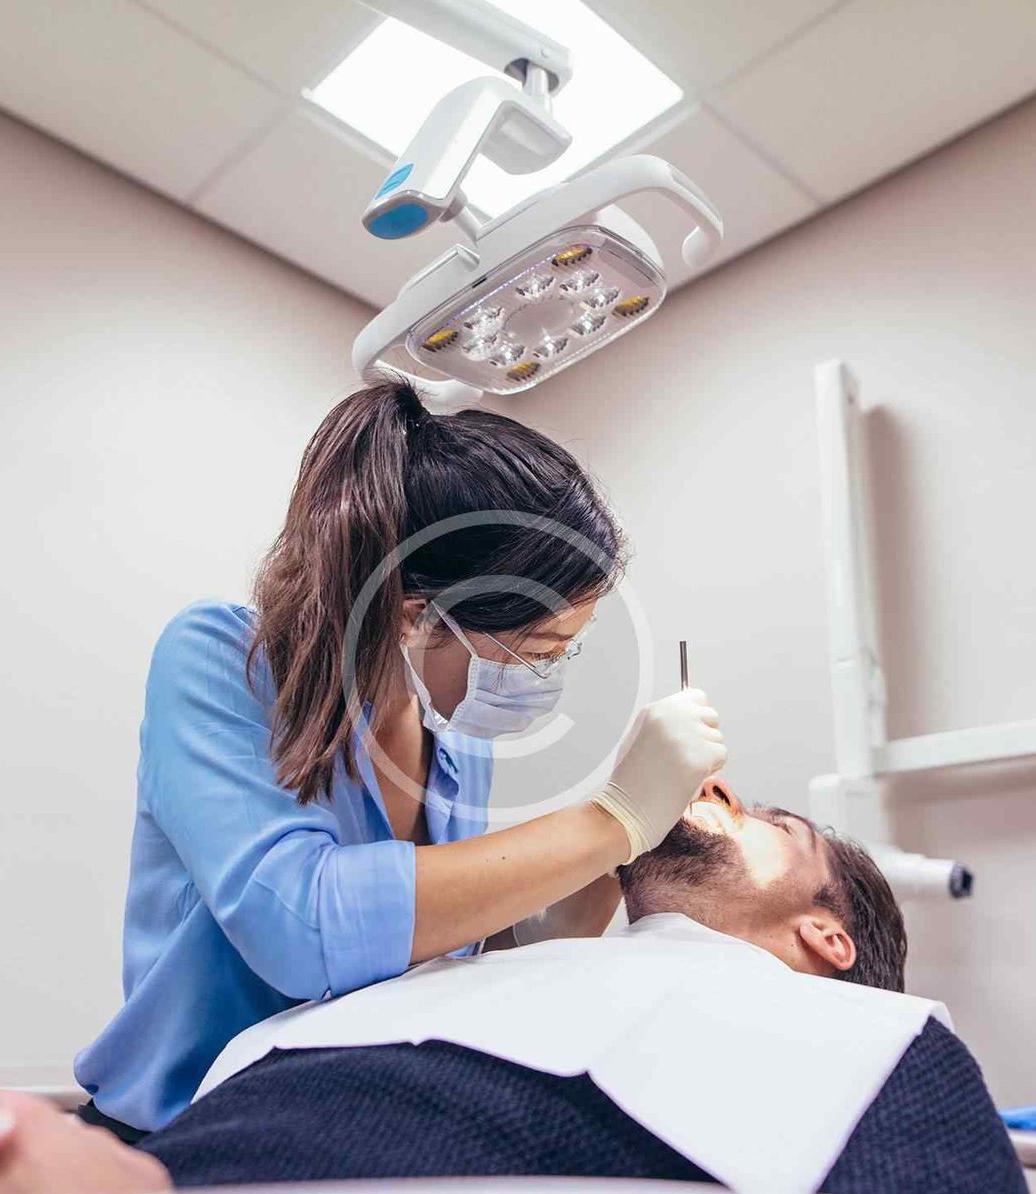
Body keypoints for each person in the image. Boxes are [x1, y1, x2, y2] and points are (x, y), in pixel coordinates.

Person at [0, 780, 1033, 1194]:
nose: (723, 800)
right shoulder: (486, 974)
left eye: (767, 824)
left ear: (826, 935)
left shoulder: (871, 1040)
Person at [74, 378, 728, 1138]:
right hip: (182, 1131)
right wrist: (612, 819)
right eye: (540, 650)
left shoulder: (456, 739)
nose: (547, 676)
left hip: (347, 1128)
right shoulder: (222, 659)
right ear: (415, 617)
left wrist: (612, 864)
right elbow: (304, 926)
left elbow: (439, 955)